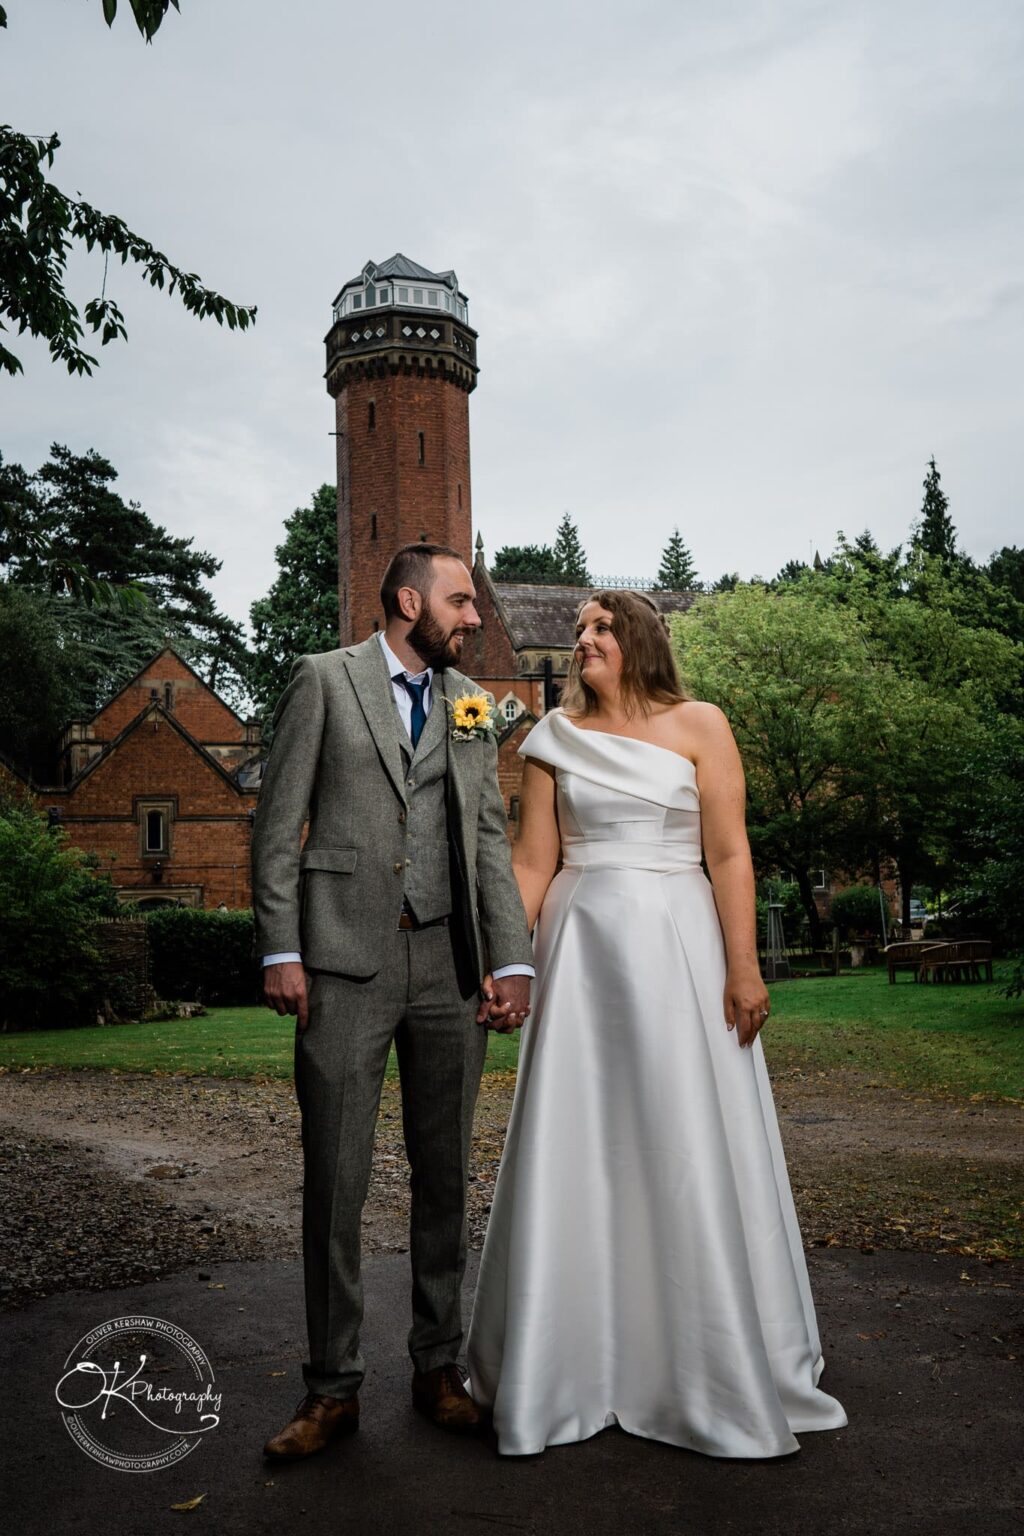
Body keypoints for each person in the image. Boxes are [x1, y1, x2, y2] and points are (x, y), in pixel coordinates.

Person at [467, 589, 847, 1458]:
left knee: (684, 1137)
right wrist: (506, 963)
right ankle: (571, 1361)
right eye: (577, 631)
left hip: (682, 952)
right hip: (583, 958)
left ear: (639, 641)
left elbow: (728, 851)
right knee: (584, 1142)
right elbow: (533, 861)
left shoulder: (702, 726)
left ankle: (707, 1358)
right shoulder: (549, 741)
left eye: (601, 628)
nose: (583, 640)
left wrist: (745, 966)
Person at [253, 543, 534, 1460]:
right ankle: (331, 1389)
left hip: (448, 968)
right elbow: (277, 821)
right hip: (340, 965)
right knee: (335, 1180)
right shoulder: (323, 681)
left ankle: (436, 1368)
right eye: (461, 601)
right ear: (409, 601)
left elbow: (488, 836)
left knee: (445, 1177)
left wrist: (511, 960)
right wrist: (283, 948)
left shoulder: (470, 708)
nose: (475, 617)